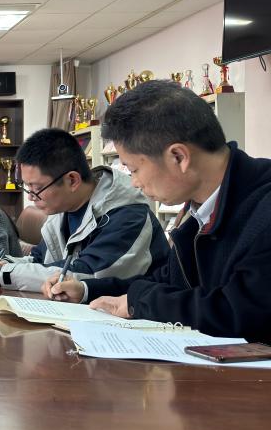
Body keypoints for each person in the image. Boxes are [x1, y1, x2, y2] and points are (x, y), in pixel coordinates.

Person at [45, 80, 271, 340]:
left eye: (134, 169)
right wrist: (86, 290)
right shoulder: (202, 208)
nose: (134, 183)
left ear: (178, 157)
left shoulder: (263, 211)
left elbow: (240, 313)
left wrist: (140, 302)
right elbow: (166, 281)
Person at [0, 128, 167, 291]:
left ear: (72, 180)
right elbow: (40, 260)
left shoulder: (128, 215)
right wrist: (4, 263)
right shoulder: (62, 210)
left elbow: (85, 273)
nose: (30, 197)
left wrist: (1, 275)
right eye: (27, 187)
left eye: (37, 188)